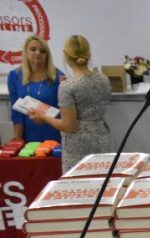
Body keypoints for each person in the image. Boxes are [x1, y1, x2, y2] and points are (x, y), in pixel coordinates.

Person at [29, 35, 111, 172]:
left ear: (65, 56)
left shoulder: (67, 87)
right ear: (89, 54)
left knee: (77, 188)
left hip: (78, 147)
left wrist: (44, 118)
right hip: (101, 139)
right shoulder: (103, 79)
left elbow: (68, 126)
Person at [6, 35, 64, 143]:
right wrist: (18, 138)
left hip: (53, 134)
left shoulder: (58, 77)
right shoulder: (14, 76)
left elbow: (64, 112)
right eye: (33, 49)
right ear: (25, 52)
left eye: (42, 51)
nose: (37, 53)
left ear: (47, 55)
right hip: (27, 136)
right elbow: (16, 112)